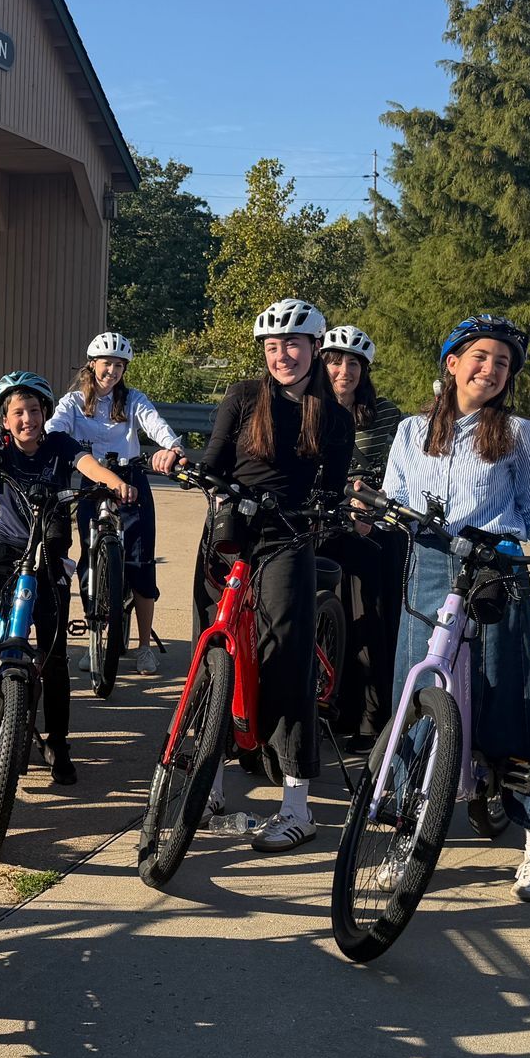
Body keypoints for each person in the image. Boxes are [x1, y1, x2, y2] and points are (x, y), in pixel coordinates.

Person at [382, 314, 530, 901]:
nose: (491, 369)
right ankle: (401, 828)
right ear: (452, 363)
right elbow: (395, 496)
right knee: (412, 701)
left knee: (507, 703)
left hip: (495, 570)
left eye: (502, 363)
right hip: (427, 569)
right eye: (480, 357)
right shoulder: (410, 430)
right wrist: (373, 508)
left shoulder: (520, 434)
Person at [196, 298, 355, 852]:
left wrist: (329, 510)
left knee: (285, 660)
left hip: (289, 538)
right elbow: (215, 461)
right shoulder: (243, 396)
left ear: (316, 348)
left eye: (292, 345)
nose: (282, 356)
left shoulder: (333, 415)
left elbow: (332, 489)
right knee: (213, 659)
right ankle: (207, 789)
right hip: (230, 531)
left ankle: (296, 806)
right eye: (272, 347)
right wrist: (193, 471)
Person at [0, 372, 136, 785]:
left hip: (48, 551)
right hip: (6, 546)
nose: (28, 419)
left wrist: (115, 482)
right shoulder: (1, 446)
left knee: (54, 655)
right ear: (5, 420)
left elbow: (87, 464)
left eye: (35, 411)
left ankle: (58, 740)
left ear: (45, 414)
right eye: (18, 413)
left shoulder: (59, 444)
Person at [46, 332, 186, 677]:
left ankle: (144, 648)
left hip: (131, 480)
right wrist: (53, 439)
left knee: (140, 560)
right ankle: (94, 632)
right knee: (90, 557)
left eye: (119, 365)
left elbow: (156, 425)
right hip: (94, 479)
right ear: (92, 364)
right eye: (106, 363)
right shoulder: (74, 401)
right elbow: (54, 428)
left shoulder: (133, 399)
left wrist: (171, 447)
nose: (112, 370)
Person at [319, 324, 407, 749]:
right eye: (336, 361)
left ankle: (372, 722)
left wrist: (374, 501)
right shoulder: (308, 409)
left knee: (371, 623)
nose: (345, 370)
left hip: (375, 530)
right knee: (328, 624)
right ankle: (328, 710)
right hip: (324, 524)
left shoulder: (386, 413)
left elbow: (405, 470)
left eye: (354, 363)